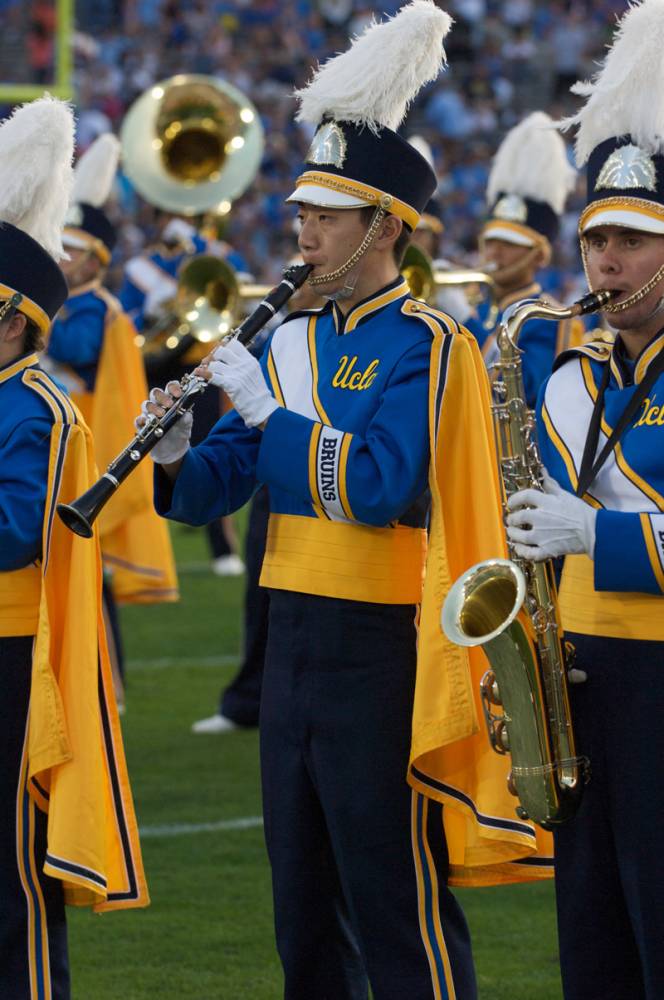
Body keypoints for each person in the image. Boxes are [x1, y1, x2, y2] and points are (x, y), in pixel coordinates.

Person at [145, 3, 552, 997]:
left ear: (383, 226)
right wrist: (168, 449)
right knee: (302, 907)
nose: (300, 231)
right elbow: (213, 492)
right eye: (299, 213)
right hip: (291, 638)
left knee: (394, 898)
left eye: (324, 215)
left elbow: (376, 489)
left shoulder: (426, 341)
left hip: (380, 645)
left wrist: (266, 417)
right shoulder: (283, 337)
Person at [505, 3, 664, 996]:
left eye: (634, 241)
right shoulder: (569, 376)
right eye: (597, 237)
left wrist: (593, 535)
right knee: (592, 929)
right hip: (582, 681)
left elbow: (599, 526)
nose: (606, 260)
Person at [0, 97, 148, 1000]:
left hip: (15, 658)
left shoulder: (39, 407)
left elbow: (19, 532)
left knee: (11, 878)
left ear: (12, 316)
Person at [44, 132, 179, 703]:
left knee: (88, 580)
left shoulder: (97, 310)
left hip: (87, 456)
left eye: (71, 251)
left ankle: (105, 685)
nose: (61, 258)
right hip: (57, 448)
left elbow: (72, 348)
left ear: (97, 259)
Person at [120, 207, 248, 576]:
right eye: (167, 215)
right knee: (151, 450)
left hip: (204, 363)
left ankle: (222, 549)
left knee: (207, 446)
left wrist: (198, 248)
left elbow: (238, 290)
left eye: (183, 215)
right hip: (160, 363)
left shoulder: (216, 253)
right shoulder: (140, 268)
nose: (174, 223)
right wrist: (149, 310)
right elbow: (125, 318)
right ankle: (144, 551)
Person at [463, 112, 586, 407]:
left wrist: (466, 324)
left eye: (509, 244)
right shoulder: (475, 301)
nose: (495, 252)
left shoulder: (549, 318)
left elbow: (519, 394)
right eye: (491, 241)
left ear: (539, 255)